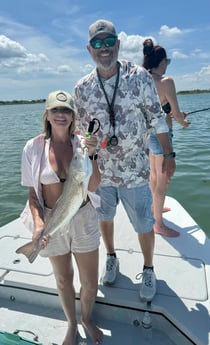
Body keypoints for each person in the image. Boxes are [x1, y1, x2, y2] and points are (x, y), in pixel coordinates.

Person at [73, 19, 176, 303]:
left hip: (134, 171)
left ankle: (149, 268)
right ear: (89, 49)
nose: (104, 48)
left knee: (144, 224)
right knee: (105, 219)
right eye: (97, 43)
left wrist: (168, 154)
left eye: (109, 42)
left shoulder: (140, 76)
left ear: (118, 44)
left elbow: (157, 118)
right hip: (100, 174)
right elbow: (81, 134)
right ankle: (111, 257)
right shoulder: (81, 88)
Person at [20, 90, 103, 345]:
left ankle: (86, 318)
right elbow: (34, 195)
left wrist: (91, 155)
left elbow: (94, 185)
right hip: (52, 219)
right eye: (55, 109)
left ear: (73, 116)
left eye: (66, 110)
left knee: (89, 281)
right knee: (63, 278)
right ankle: (71, 325)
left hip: (83, 217)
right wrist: (39, 226)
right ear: (47, 114)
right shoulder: (32, 148)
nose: (60, 115)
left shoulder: (82, 145)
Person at [142, 39, 190, 237]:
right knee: (162, 181)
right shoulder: (166, 82)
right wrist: (183, 122)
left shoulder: (143, 80)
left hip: (147, 136)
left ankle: (155, 209)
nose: (167, 64)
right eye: (167, 61)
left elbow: (156, 111)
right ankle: (158, 225)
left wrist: (171, 114)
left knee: (153, 176)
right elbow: (177, 115)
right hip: (162, 137)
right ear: (161, 62)